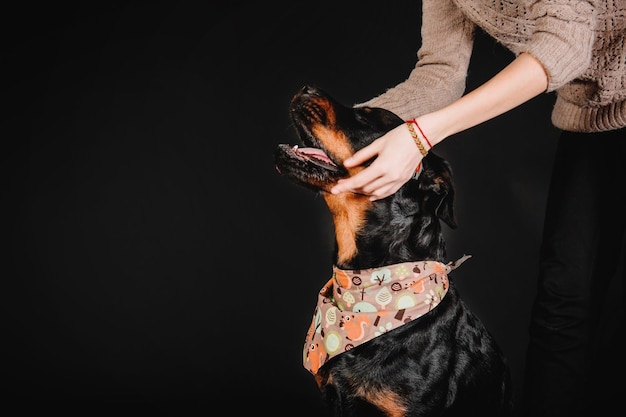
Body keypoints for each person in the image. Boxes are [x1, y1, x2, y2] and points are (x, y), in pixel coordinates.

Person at [329, 1, 625, 416]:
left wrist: (420, 136)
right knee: (564, 300)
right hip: (601, 113)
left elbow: (565, 45)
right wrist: (349, 139)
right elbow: (440, 71)